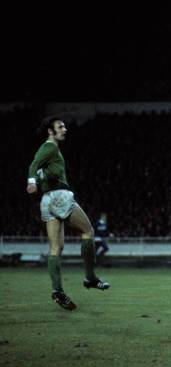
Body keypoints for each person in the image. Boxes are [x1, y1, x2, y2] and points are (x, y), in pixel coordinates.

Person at [27, 116, 110, 311]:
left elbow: (40, 171)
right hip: (60, 197)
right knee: (88, 231)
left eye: (64, 126)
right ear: (50, 131)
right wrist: (31, 182)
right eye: (60, 126)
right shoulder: (50, 147)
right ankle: (90, 278)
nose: (65, 129)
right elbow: (34, 165)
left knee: (57, 248)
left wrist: (37, 181)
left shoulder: (49, 152)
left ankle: (57, 291)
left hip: (47, 200)